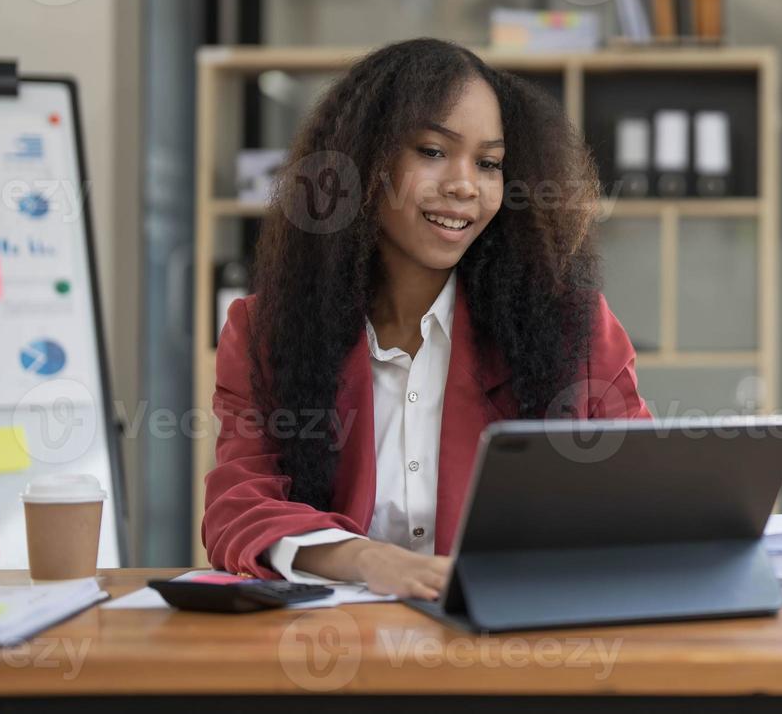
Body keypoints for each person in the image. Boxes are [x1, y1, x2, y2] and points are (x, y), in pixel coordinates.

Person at [202, 38, 649, 599]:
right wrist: (366, 559)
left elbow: (641, 493)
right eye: (433, 151)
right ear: (363, 159)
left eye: (488, 163)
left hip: (514, 650)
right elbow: (236, 508)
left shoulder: (572, 326)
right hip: (334, 657)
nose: (465, 185)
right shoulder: (264, 331)